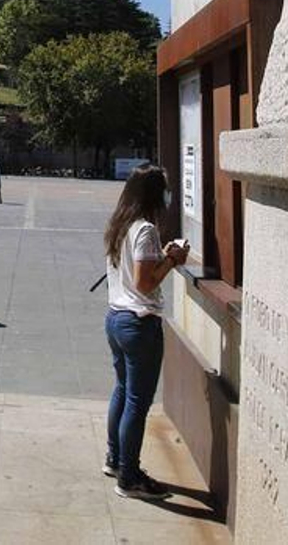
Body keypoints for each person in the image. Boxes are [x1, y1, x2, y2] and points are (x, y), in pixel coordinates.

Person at [101, 164, 189, 500]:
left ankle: (115, 458)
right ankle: (130, 475)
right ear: (155, 194)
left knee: (122, 391)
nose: (168, 196)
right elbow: (144, 282)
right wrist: (172, 260)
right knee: (137, 402)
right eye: (165, 190)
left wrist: (161, 258)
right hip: (139, 322)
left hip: (116, 318)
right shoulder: (146, 230)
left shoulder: (120, 226)